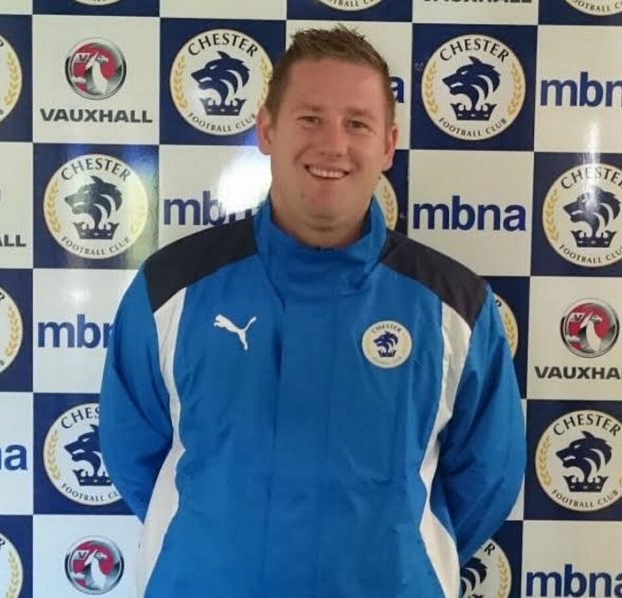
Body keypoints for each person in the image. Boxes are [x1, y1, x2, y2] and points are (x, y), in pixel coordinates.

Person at [99, 25, 525, 598]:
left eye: (357, 123)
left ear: (388, 145)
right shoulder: (172, 288)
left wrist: (396, 550)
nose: (333, 144)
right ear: (267, 129)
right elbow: (135, 455)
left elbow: (486, 477)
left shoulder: (455, 305)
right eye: (310, 118)